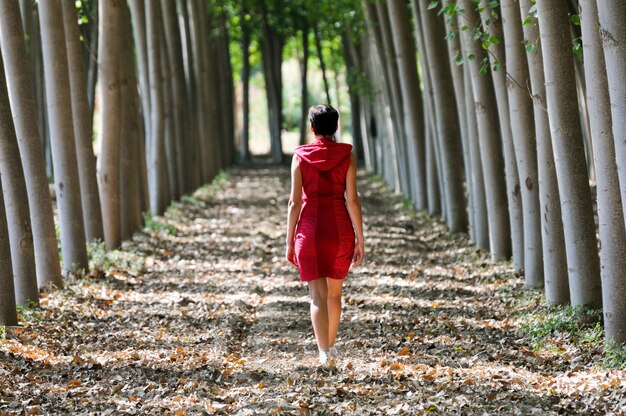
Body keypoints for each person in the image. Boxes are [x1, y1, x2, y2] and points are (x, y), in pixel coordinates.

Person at [285, 104, 365, 367]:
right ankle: (330, 348)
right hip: (339, 229)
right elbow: (352, 200)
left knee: (317, 296)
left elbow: (294, 203)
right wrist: (360, 239)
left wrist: (289, 241)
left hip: (309, 230)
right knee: (334, 295)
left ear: (311, 127)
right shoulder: (347, 156)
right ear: (336, 127)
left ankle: (324, 353)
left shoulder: (300, 157)